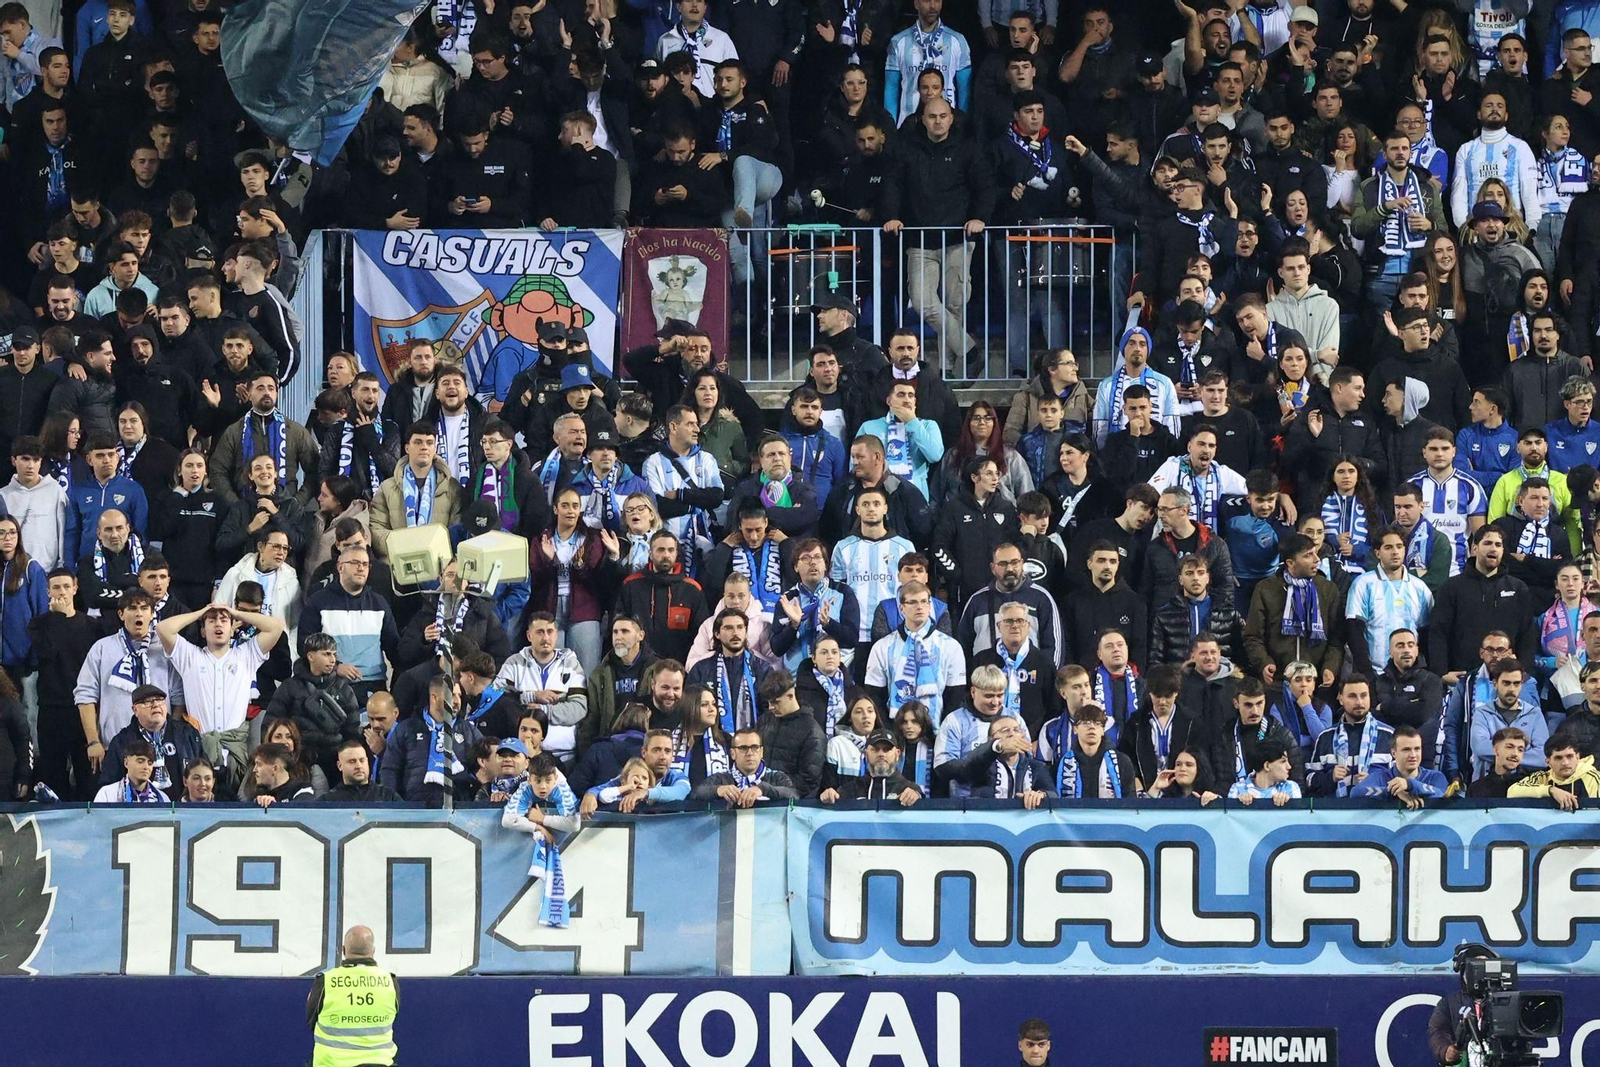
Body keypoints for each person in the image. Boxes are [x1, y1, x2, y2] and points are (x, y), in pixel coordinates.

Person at [1244, 532, 1344, 687]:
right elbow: (1253, 636)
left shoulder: (1328, 589)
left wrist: (1330, 667)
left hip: (1315, 683)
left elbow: (1336, 639)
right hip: (1277, 683)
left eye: (1315, 553)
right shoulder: (1265, 589)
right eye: (1308, 555)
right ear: (1290, 563)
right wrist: (1263, 663)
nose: (1317, 560)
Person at [494, 612, 587, 765]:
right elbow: (496, 700)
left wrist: (545, 711)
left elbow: (579, 708)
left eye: (550, 632)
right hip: (521, 755)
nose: (546, 638)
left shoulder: (571, 664)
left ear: (556, 634)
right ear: (529, 636)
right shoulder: (513, 663)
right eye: (540, 632)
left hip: (563, 755)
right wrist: (531, 696)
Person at [306, 925, 398, 1066]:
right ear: (373, 951)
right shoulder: (389, 981)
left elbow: (311, 1020)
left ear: (343, 950)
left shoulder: (326, 981)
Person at [370, 421, 463, 559]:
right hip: (397, 565)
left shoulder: (452, 488)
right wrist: (403, 545)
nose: (424, 447)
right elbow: (376, 528)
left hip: (439, 568)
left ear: (435, 448)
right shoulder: (387, 487)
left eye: (429, 443)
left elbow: (457, 530)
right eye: (418, 442)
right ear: (407, 448)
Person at [615, 531, 710, 663]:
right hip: (638, 666)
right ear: (650, 553)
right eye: (660, 550)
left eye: (671, 550)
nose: (666, 555)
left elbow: (702, 635)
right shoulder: (631, 585)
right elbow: (619, 626)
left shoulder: (692, 590)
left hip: (679, 667)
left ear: (677, 554)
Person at [98, 682, 202, 795]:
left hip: (183, 808)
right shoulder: (122, 741)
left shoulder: (187, 734)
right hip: (139, 809)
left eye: (160, 699)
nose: (156, 704)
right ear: (135, 710)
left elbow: (204, 771)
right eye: (148, 701)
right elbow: (109, 786)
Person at [1306, 674, 1395, 795]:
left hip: (1377, 811)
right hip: (1334, 811)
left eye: (1364, 695)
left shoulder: (1389, 735)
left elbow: (1403, 779)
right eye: (1352, 696)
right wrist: (1330, 778)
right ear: (1341, 699)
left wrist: (1375, 781)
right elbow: (1309, 780)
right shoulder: (1325, 737)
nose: (1359, 702)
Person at [690, 726, 799, 805]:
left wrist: (763, 789)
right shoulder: (721, 778)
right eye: (743, 748)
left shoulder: (777, 777)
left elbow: (794, 795)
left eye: (754, 747)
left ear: (761, 752)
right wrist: (718, 790)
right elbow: (695, 793)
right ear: (733, 753)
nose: (750, 753)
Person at [818, 728, 924, 804]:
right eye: (875, 749)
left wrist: (917, 797)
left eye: (887, 749)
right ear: (865, 754)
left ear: (897, 754)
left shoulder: (910, 790)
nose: (881, 754)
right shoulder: (849, 790)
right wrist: (828, 797)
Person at [1353, 724, 1448, 808]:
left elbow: (1441, 794)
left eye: (1417, 749)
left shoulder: (1435, 777)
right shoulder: (1380, 777)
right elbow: (1356, 792)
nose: (1413, 755)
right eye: (1406, 750)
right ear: (1394, 753)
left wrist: (1410, 785)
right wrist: (1394, 792)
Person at [1507, 731, 1600, 807]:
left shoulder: (1593, 777)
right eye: (1558, 758)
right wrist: (1550, 790)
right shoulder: (1542, 777)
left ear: (1578, 757)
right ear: (1548, 762)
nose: (1565, 763)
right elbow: (1512, 792)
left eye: (1570, 756)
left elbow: (1594, 814)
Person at [318, 737, 402, 802]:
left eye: (362, 760)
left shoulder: (389, 797)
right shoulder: (327, 801)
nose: (358, 766)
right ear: (340, 766)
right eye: (352, 761)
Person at [1467, 725, 1533, 797]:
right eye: (1509, 747)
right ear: (1496, 750)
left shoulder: (1531, 786)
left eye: (1520, 750)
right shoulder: (1476, 789)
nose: (1515, 754)